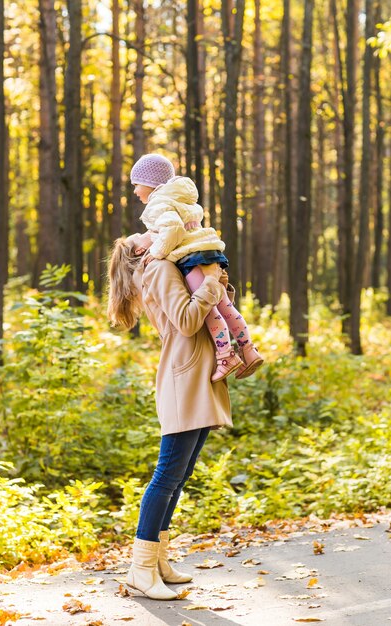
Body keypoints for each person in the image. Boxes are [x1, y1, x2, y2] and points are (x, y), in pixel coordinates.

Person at [107, 236, 235, 600]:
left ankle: (158, 561)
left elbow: (201, 311)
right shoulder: (160, 269)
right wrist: (210, 286)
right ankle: (141, 570)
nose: (158, 232)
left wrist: (216, 285)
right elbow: (186, 321)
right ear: (139, 251)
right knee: (166, 477)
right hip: (184, 377)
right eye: (146, 235)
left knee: (178, 477)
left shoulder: (167, 266)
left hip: (195, 375)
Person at [128, 153, 263, 382]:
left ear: (150, 184)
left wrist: (157, 252)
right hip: (209, 250)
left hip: (191, 258)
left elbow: (173, 230)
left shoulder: (158, 204)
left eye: (136, 184)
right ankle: (248, 350)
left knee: (209, 308)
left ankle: (226, 356)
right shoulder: (182, 198)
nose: (134, 191)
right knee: (226, 306)